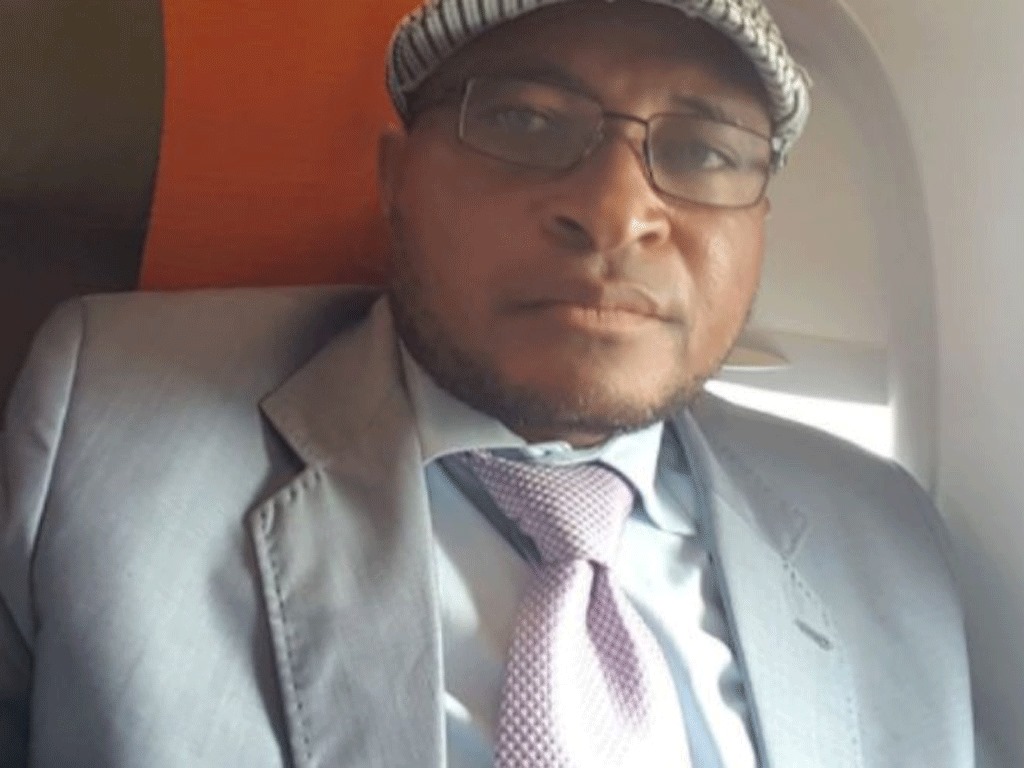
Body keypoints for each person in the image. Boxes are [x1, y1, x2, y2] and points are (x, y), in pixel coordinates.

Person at [0, 0, 973, 766]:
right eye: (524, 120)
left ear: (759, 224)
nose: (614, 211)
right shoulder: (110, 426)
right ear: (395, 180)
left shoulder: (879, 533)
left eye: (702, 151)